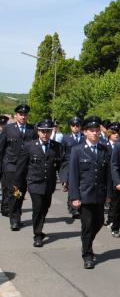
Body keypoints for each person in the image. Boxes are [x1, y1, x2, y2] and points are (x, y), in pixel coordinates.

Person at [68, 116, 113, 269]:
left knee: (99, 221)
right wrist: (74, 196)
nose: (95, 133)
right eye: (91, 131)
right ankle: (87, 255)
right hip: (84, 194)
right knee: (87, 225)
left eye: (97, 131)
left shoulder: (104, 149)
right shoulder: (77, 150)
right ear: (85, 132)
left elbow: (108, 174)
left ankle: (86, 243)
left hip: (99, 194)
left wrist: (108, 195)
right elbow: (73, 175)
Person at [15, 119, 62, 247]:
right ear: (38, 132)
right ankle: (37, 234)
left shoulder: (57, 146)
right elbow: (21, 166)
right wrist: (17, 184)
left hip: (49, 183)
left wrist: (64, 179)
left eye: (48, 131)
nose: (45, 134)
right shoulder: (29, 146)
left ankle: (39, 226)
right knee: (38, 207)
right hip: (34, 182)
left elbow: (61, 165)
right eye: (42, 131)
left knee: (45, 207)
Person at [0, 104, 37, 228]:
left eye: (25, 114)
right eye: (21, 114)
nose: (23, 116)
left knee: (21, 192)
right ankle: (14, 219)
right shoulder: (8, 129)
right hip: (11, 166)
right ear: (16, 115)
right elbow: (1, 148)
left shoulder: (32, 130)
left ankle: (17, 215)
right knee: (13, 192)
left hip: (25, 167)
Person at [60, 116, 86, 219]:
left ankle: (81, 206)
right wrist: (63, 173)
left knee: (82, 187)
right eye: (73, 125)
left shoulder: (84, 137)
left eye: (77, 125)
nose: (75, 127)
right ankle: (73, 208)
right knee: (72, 187)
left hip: (83, 165)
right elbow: (62, 154)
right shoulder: (66, 138)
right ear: (70, 127)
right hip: (70, 166)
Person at [104, 121, 120, 227]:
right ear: (109, 134)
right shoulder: (104, 146)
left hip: (116, 176)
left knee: (115, 200)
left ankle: (111, 219)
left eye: (117, 133)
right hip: (106, 176)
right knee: (105, 198)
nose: (116, 135)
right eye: (114, 133)